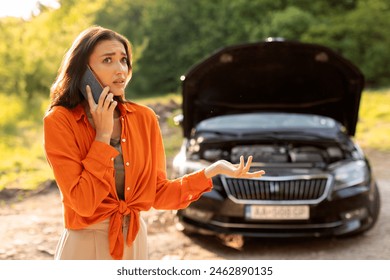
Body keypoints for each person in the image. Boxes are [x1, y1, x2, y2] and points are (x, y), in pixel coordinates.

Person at [43, 26, 265, 260]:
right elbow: (83, 203)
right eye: (107, 60)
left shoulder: (144, 119)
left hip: (134, 244)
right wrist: (102, 135)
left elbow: (158, 193)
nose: (120, 69)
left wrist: (213, 170)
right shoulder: (60, 121)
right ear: (84, 70)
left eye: (123, 60)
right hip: (84, 246)